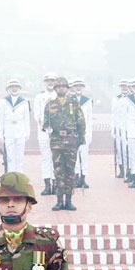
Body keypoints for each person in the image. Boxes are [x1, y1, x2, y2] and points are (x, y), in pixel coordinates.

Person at [43, 77, 86, 211]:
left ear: (67, 88)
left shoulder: (73, 103)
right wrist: (48, 129)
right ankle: (59, 200)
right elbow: (45, 123)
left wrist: (81, 138)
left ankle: (69, 200)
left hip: (71, 141)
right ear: (55, 89)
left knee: (70, 172)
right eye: (58, 87)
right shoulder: (50, 104)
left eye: (63, 87)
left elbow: (81, 121)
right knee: (58, 171)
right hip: (56, 141)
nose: (61, 88)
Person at [0, 79, 30, 174]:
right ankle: (11, 175)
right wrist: (1, 133)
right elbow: (0, 119)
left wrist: (27, 132)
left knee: (20, 156)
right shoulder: (3, 101)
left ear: (19, 88)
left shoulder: (24, 101)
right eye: (12, 87)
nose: (14, 88)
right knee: (10, 156)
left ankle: (19, 175)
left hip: (20, 130)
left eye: (16, 87)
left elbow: (26, 118)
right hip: (9, 130)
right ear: (8, 88)